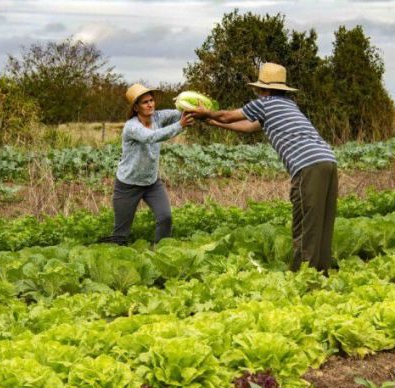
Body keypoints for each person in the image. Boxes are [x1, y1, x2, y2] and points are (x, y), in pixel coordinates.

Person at [191, 62, 338, 275]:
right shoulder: (287, 105)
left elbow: (227, 115)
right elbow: (249, 127)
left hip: (308, 166)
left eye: (259, 88)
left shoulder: (266, 103)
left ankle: (304, 277)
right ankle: (322, 273)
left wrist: (208, 113)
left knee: (305, 224)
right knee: (322, 221)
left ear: (264, 89)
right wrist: (214, 123)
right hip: (328, 161)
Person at [105, 83, 194, 245]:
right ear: (136, 108)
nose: (150, 104)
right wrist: (180, 126)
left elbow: (179, 113)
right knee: (120, 234)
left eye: (151, 100)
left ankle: (161, 251)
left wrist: (195, 108)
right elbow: (152, 137)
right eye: (145, 102)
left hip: (151, 183)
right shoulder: (132, 127)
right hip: (128, 185)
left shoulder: (158, 117)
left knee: (165, 217)